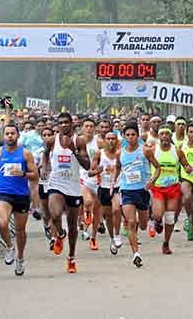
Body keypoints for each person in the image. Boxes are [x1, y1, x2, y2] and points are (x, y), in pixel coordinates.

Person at [0, 123, 38, 276]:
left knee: (20, 231)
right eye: (7, 133)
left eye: (13, 133)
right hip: (2, 193)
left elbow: (35, 175)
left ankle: (20, 258)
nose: (10, 136)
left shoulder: (25, 154)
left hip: (21, 195)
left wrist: (23, 174)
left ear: (18, 135)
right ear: (3, 136)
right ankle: (9, 247)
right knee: (3, 222)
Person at [42, 113, 90, 273]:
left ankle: (71, 257)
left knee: (73, 225)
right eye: (60, 123)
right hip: (56, 183)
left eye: (66, 123)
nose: (63, 125)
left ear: (71, 124)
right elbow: (45, 152)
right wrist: (45, 166)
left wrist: (74, 151)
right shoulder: (51, 140)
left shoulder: (79, 140)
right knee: (54, 215)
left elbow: (87, 165)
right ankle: (60, 234)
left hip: (74, 186)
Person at [115, 123, 160, 267]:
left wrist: (152, 181)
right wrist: (113, 185)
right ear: (124, 136)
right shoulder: (120, 153)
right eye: (127, 135)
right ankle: (136, 253)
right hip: (127, 190)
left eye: (133, 135)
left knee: (142, 224)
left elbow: (158, 168)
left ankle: (151, 219)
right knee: (131, 222)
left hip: (143, 191)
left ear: (137, 135)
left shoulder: (145, 150)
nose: (130, 137)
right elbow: (118, 169)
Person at [149, 125, 192, 254]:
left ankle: (166, 243)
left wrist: (189, 169)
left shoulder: (177, 151)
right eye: (162, 134)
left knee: (170, 217)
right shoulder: (153, 150)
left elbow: (186, 166)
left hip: (173, 187)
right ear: (159, 136)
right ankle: (156, 221)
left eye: (167, 134)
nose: (165, 137)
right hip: (158, 187)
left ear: (170, 136)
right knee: (158, 214)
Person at [89, 131, 122, 254]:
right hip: (103, 187)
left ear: (117, 140)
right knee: (108, 216)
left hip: (118, 186)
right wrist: (98, 170)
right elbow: (90, 172)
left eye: (113, 138)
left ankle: (118, 235)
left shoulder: (121, 153)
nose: (110, 141)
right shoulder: (99, 154)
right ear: (104, 140)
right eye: (108, 138)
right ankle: (112, 238)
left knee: (116, 209)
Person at [79, 118, 102, 247]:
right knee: (87, 201)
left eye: (91, 126)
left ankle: (93, 237)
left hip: (97, 178)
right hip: (82, 176)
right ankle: (86, 212)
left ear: (94, 128)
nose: (88, 128)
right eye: (86, 126)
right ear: (82, 128)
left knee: (98, 209)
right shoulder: (77, 141)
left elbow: (106, 156)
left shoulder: (99, 142)